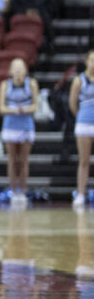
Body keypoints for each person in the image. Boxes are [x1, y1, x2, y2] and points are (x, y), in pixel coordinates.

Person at [0, 58, 39, 207]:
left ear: (25, 71)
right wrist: (15, 110)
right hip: (10, 126)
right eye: (15, 69)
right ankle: (13, 190)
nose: (18, 72)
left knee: (23, 160)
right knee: (12, 159)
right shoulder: (5, 85)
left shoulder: (32, 84)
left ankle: (22, 190)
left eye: (20, 69)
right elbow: (1, 108)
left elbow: (35, 106)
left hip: (26, 126)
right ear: (10, 71)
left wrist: (23, 109)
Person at [68, 50, 94, 208]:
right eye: (92, 60)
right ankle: (81, 193)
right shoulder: (79, 80)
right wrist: (81, 116)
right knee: (84, 161)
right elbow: (72, 104)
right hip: (84, 123)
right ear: (87, 62)